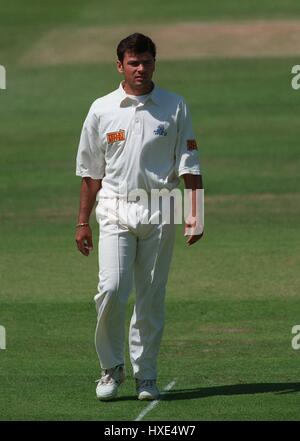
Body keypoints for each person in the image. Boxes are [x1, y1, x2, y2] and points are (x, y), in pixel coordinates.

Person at [75, 33, 204, 401]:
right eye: (133, 63)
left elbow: (189, 164)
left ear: (154, 63)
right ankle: (110, 368)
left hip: (163, 206)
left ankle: (146, 376)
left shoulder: (174, 106)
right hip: (115, 207)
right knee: (113, 290)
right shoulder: (102, 109)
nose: (141, 69)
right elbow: (90, 172)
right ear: (120, 66)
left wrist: (196, 213)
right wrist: (82, 221)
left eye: (146, 61)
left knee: (150, 297)